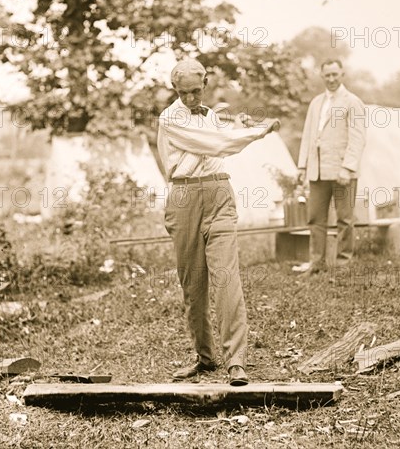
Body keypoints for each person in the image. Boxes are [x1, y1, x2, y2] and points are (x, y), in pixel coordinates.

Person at [157, 59, 280, 386]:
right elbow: (215, 143)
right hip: (183, 198)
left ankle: (236, 362)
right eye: (184, 94)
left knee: (228, 278)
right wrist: (255, 131)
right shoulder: (169, 118)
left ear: (206, 83)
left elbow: (218, 133)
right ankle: (205, 356)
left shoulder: (210, 115)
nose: (191, 99)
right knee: (193, 285)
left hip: (218, 193)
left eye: (196, 91)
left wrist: (234, 123)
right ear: (175, 90)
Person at [297, 59, 366, 274]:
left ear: (342, 74)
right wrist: (302, 167)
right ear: (322, 76)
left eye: (335, 74)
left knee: (344, 219)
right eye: (327, 75)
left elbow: (358, 138)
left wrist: (348, 168)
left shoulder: (352, 102)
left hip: (341, 171)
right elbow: (308, 136)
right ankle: (317, 263)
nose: (331, 79)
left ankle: (343, 264)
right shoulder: (316, 103)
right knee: (316, 218)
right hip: (317, 171)